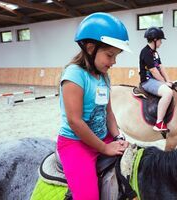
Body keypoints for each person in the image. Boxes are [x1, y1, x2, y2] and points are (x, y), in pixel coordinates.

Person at [56, 12, 130, 200]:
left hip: (103, 136)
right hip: (76, 144)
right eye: (110, 55)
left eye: (116, 56)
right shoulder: (74, 75)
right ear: (90, 48)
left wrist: (118, 136)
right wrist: (105, 149)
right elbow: (75, 121)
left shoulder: (104, 76)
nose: (113, 62)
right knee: (88, 196)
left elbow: (108, 112)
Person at [139, 27, 173, 131]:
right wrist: (164, 83)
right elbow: (153, 70)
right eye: (160, 40)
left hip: (156, 80)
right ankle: (159, 123)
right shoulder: (146, 52)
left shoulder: (155, 53)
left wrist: (168, 80)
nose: (161, 42)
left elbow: (161, 67)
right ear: (154, 40)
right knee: (168, 93)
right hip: (147, 81)